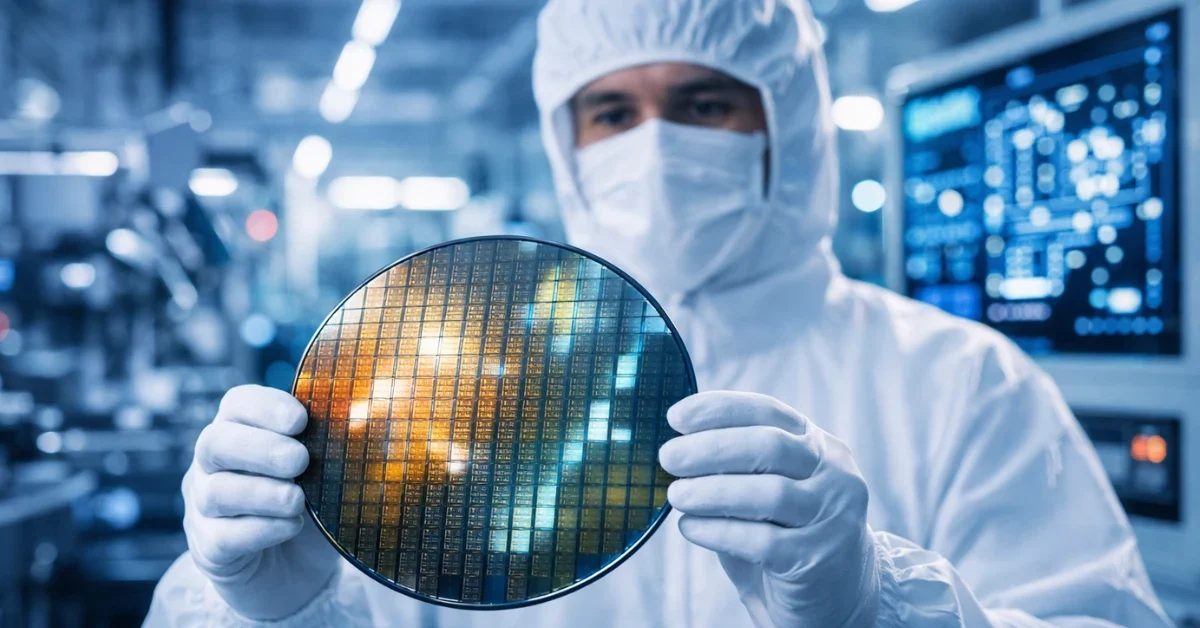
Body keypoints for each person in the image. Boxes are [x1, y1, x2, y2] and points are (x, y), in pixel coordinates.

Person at [145, 0, 1175, 626]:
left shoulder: (962, 382)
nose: (656, 142)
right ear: (568, 141)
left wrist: (875, 606)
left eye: (705, 103)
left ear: (789, 124)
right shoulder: (441, 381)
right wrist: (274, 609)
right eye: (612, 111)